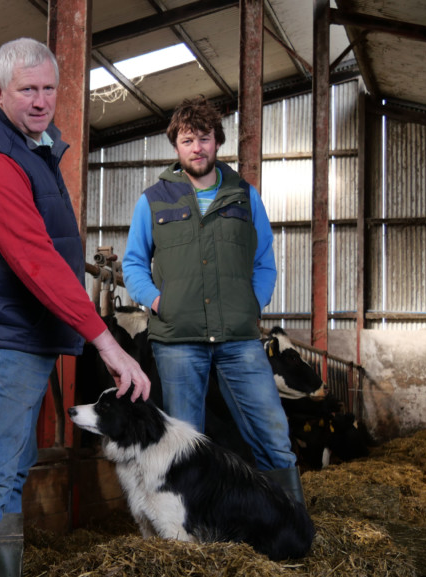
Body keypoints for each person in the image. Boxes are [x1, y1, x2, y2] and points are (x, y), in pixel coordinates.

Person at [0, 37, 151, 577]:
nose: (41, 101)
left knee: (10, 473)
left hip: (21, 336)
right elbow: (36, 259)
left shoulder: (34, 147)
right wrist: (105, 342)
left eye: (49, 88)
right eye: (27, 89)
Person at [121, 96, 305, 507]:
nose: (197, 148)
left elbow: (264, 261)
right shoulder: (154, 199)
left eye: (204, 138)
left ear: (217, 142)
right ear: (176, 146)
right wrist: (157, 302)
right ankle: (192, 528)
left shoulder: (244, 195)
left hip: (238, 337)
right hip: (178, 338)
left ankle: (290, 519)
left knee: (272, 432)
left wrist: (252, 304)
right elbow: (133, 262)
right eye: (188, 140)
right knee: (185, 442)